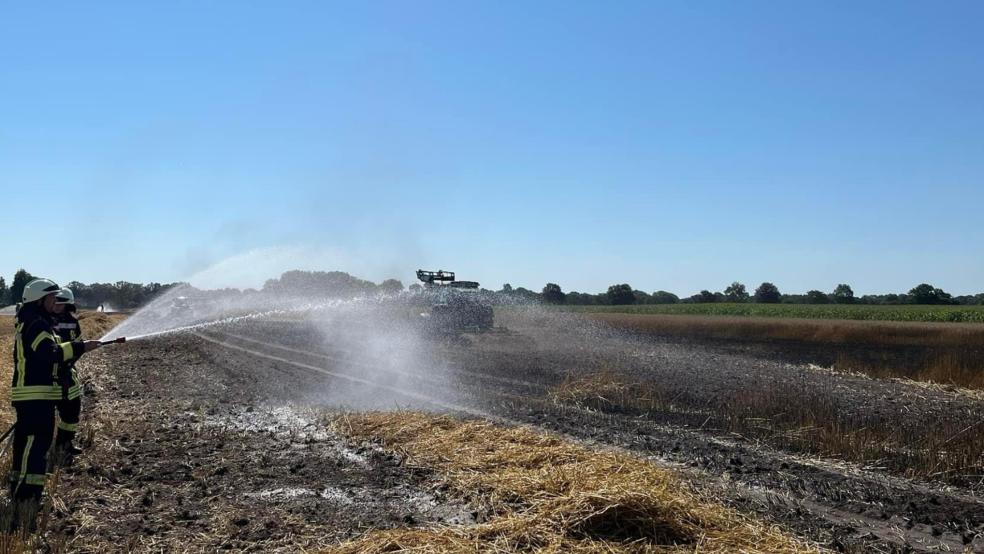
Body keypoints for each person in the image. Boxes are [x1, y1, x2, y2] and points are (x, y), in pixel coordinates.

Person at [8, 279, 100, 531]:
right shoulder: (36, 324)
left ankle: (23, 495)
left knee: (30, 448)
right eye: (51, 298)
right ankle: (25, 498)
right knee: (33, 448)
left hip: (39, 396)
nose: (55, 303)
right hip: (34, 396)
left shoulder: (37, 321)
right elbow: (49, 353)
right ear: (39, 300)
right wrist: (80, 346)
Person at [52, 288, 84, 462]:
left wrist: (69, 363)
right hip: (48, 374)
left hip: (67, 373)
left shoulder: (73, 322)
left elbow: (79, 346)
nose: (58, 305)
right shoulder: (44, 320)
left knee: (72, 409)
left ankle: (65, 443)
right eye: (56, 301)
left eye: (62, 302)